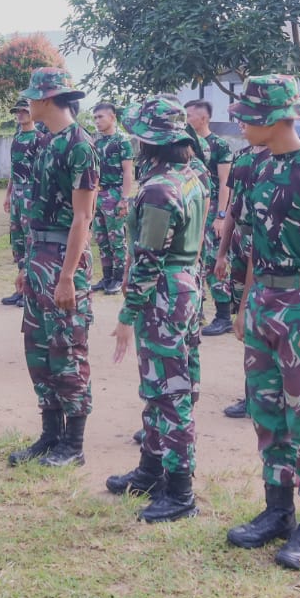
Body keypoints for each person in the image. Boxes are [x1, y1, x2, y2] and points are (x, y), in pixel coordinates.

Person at [223, 74, 300, 571]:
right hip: (264, 304)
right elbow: (255, 245)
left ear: (276, 119)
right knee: (268, 412)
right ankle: (278, 511)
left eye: (249, 118)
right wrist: (245, 302)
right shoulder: (255, 168)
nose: (243, 127)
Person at [106, 96, 208, 522]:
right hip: (186, 285)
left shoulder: (159, 189)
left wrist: (127, 315)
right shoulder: (192, 176)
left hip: (164, 291)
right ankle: (151, 469)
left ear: (149, 141)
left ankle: (180, 491)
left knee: (169, 391)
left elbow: (148, 259)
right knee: (162, 384)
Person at [9, 67, 100, 469]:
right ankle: (50, 434)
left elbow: (83, 217)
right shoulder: (46, 142)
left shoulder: (80, 145)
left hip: (66, 259)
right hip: (40, 257)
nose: (27, 103)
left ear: (48, 99)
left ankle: (74, 443)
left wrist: (67, 276)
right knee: (39, 348)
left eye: (32, 96)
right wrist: (28, 264)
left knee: (68, 349)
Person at [213, 138, 267, 419]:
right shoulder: (243, 157)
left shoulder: (275, 158)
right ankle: (252, 392)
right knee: (244, 320)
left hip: (265, 242)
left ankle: (260, 396)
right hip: (240, 241)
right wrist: (222, 253)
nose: (243, 124)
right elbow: (234, 205)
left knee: (256, 316)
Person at [186, 100, 236, 336]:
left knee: (213, 259)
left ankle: (224, 315)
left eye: (190, 116)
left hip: (214, 206)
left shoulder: (219, 145)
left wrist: (221, 216)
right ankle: (196, 309)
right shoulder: (187, 144)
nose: (186, 120)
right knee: (193, 259)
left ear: (203, 118)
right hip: (193, 206)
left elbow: (226, 184)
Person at [91, 101, 135, 296]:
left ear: (112, 117)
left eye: (101, 117)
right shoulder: (97, 142)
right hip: (98, 194)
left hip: (115, 193)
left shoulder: (122, 141)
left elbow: (128, 172)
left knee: (116, 238)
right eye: (95, 118)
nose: (97, 121)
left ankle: (118, 277)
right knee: (101, 238)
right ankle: (107, 276)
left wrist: (124, 198)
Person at [3, 100, 41, 306]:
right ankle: (20, 286)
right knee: (17, 240)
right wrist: (8, 194)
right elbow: (13, 168)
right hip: (17, 191)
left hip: (31, 192)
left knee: (30, 240)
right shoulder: (17, 138)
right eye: (18, 112)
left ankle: (32, 289)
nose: (20, 115)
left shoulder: (39, 138)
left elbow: (41, 171)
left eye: (24, 111)